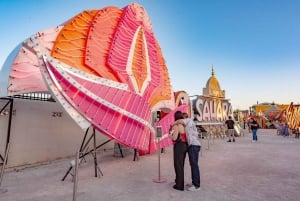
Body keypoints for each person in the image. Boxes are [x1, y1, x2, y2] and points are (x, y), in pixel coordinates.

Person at [174, 112, 201, 191]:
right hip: (193, 145)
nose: (182, 119)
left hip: (193, 145)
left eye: (183, 117)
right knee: (193, 165)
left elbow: (178, 121)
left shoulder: (188, 120)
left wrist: (173, 124)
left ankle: (196, 185)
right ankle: (194, 182)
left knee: (194, 165)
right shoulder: (189, 124)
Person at [168, 111, 188, 191]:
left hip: (179, 146)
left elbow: (175, 138)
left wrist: (170, 135)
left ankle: (179, 185)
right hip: (185, 146)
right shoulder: (184, 125)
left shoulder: (176, 125)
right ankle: (179, 181)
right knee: (181, 165)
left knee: (178, 165)